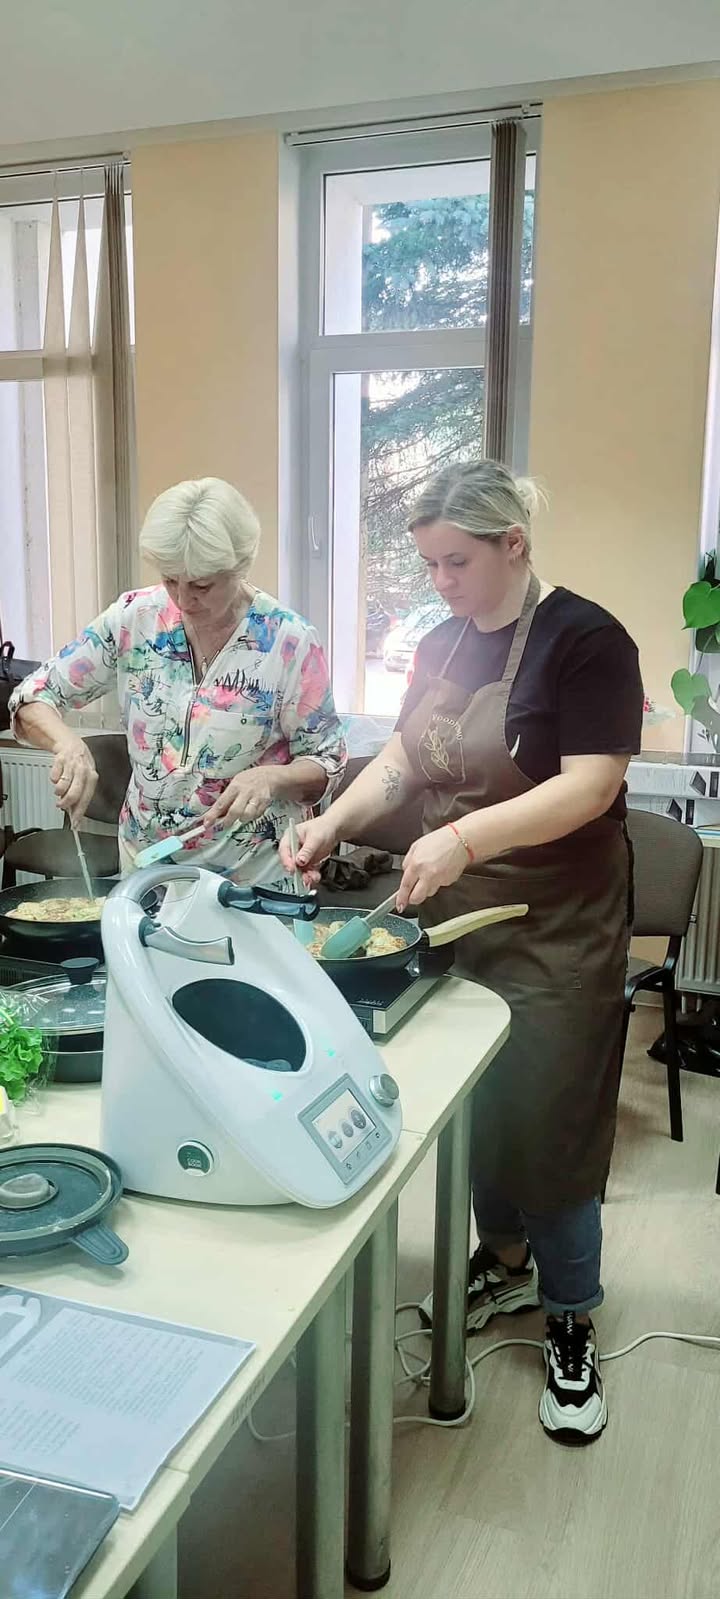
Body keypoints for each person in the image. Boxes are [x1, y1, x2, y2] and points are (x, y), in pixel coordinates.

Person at [281, 459, 644, 1445]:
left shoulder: (587, 640)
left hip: (559, 920)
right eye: (429, 565)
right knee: (475, 1101)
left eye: (456, 562)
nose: (439, 583)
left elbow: (590, 786)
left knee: (553, 1113)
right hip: (456, 911)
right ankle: (505, 1260)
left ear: (513, 545)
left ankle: (571, 1317)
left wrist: (466, 838)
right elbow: (404, 759)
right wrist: (334, 821)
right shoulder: (442, 643)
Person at [10, 477, 346, 886]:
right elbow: (32, 697)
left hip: (254, 878)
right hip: (148, 871)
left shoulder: (288, 641)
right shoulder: (135, 618)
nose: (183, 600)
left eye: (202, 585)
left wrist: (271, 778)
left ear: (240, 566)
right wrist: (68, 744)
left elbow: (326, 760)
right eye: (171, 580)